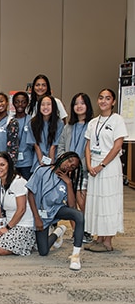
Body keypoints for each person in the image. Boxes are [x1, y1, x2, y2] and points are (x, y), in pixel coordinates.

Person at [84, 89, 127, 252]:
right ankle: (99, 237)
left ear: (113, 102)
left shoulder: (117, 120)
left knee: (108, 201)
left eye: (107, 98)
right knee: (96, 201)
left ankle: (108, 241)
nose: (103, 101)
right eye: (101, 98)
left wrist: (101, 165)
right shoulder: (93, 122)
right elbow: (88, 146)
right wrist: (89, 165)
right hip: (94, 166)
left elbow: (117, 146)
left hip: (108, 166)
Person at [26, 152, 84, 270]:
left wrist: (68, 183)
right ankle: (58, 231)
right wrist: (37, 218)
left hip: (56, 210)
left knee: (79, 216)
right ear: (62, 157)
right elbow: (31, 194)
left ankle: (75, 256)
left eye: (73, 167)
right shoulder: (42, 170)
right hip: (41, 213)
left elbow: (72, 205)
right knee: (43, 252)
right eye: (69, 161)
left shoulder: (67, 180)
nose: (69, 166)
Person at [58, 93, 93, 244]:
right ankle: (76, 231)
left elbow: (92, 149)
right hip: (67, 171)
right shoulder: (68, 127)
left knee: (82, 201)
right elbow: (60, 146)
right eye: (76, 103)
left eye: (82, 103)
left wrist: (78, 165)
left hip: (83, 171)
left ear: (88, 106)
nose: (79, 106)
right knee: (70, 203)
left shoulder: (92, 125)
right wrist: (64, 163)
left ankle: (85, 230)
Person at [0, 152, 35, 256]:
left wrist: (7, 228)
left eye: (2, 165)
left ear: (9, 165)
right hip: (8, 224)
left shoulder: (19, 182)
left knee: (0, 250)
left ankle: (35, 241)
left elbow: (21, 209)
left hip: (23, 225)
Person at [27, 95, 63, 173]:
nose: (45, 107)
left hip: (54, 159)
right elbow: (36, 145)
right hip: (38, 159)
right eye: (42, 104)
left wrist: (51, 164)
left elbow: (54, 146)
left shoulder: (59, 123)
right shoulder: (32, 123)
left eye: (48, 104)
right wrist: (41, 162)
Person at [12, 91, 34, 179]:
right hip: (13, 162)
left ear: (27, 103)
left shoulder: (31, 121)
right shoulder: (10, 120)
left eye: (23, 102)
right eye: (17, 102)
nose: (20, 104)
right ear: (13, 103)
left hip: (27, 162)